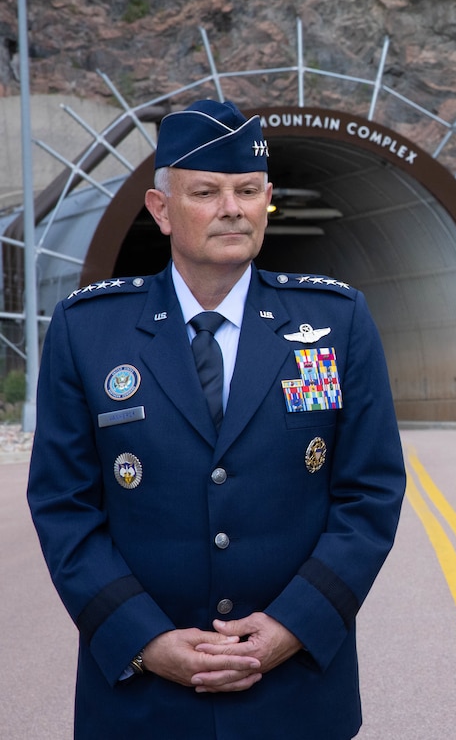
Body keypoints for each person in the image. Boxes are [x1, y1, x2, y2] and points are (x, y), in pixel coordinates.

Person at [27, 99, 407, 740]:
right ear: (161, 209)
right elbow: (64, 506)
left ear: (266, 202)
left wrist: (294, 626)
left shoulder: (336, 322)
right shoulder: (89, 330)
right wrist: (143, 638)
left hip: (295, 691)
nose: (233, 207)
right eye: (206, 191)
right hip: (142, 697)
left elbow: (369, 495)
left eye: (248, 190)